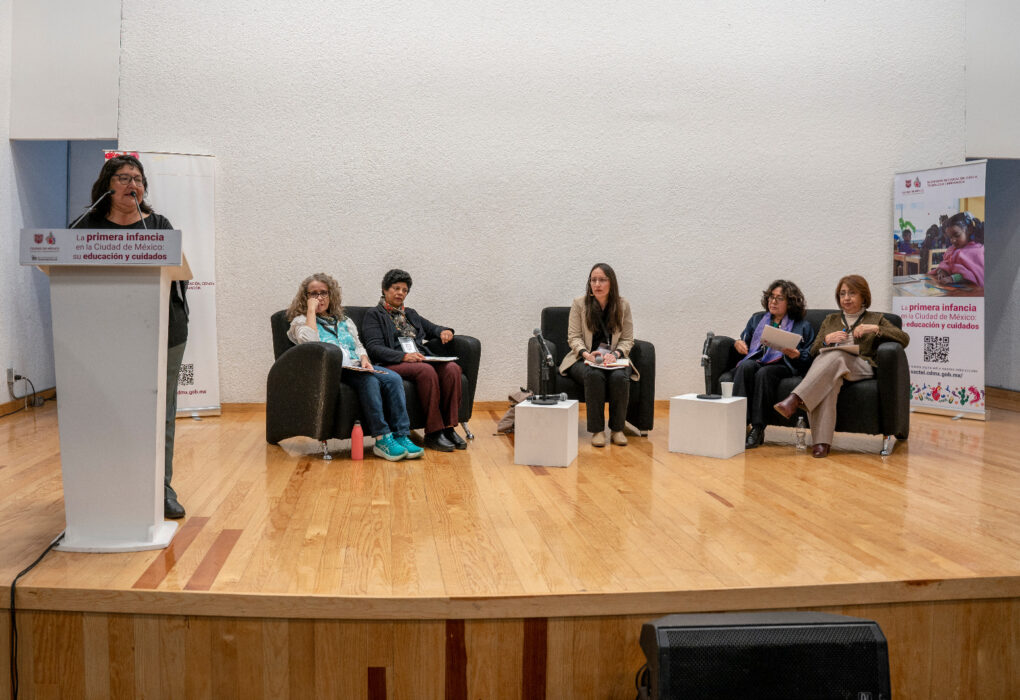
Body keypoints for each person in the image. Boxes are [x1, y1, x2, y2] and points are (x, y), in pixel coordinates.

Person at [73, 154, 189, 519]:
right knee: (106, 409)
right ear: (106, 185)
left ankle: (160, 488)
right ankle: (107, 484)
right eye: (123, 178)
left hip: (164, 330)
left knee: (161, 412)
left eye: (138, 179)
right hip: (103, 335)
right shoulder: (85, 226)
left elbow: (178, 272)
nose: (132, 184)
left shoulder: (158, 225)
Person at [286, 273, 424, 461]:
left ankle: (401, 434)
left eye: (324, 293)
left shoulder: (344, 320)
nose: (319, 298)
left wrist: (364, 359)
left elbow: (358, 345)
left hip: (356, 366)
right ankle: (382, 438)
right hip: (333, 371)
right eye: (314, 294)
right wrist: (311, 311)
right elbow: (310, 344)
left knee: (393, 378)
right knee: (369, 381)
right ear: (306, 297)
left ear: (331, 294)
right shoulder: (300, 322)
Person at [774, 275, 909, 458]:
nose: (846, 298)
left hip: (861, 366)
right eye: (842, 294)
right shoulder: (830, 320)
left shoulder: (876, 318)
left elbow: (904, 338)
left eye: (852, 293)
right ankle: (821, 443)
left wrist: (874, 329)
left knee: (836, 355)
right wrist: (827, 340)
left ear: (863, 296)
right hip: (833, 368)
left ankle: (796, 398)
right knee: (830, 378)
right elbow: (813, 351)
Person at [362, 269, 465, 452]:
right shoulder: (374, 315)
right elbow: (374, 347)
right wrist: (403, 356)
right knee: (426, 371)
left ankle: (449, 428)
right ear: (385, 289)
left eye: (404, 290)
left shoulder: (410, 313)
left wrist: (445, 331)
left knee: (452, 369)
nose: (400, 293)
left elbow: (432, 328)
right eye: (396, 288)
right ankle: (434, 432)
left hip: (418, 359)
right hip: (393, 362)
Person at [558, 263, 638, 447]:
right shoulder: (579, 304)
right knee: (594, 374)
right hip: (583, 359)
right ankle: (597, 431)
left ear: (612, 283)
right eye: (593, 280)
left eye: (602, 280)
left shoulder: (623, 305)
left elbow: (627, 339)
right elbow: (574, 337)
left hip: (614, 359)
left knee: (619, 377)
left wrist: (616, 354)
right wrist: (586, 354)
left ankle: (617, 430)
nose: (597, 284)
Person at [731, 280, 815, 449]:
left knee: (765, 373)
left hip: (784, 365)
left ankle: (758, 428)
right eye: (771, 297)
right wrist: (738, 343)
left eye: (779, 298)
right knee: (746, 367)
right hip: (758, 360)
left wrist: (797, 355)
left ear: (790, 302)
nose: (773, 301)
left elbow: (809, 356)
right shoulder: (757, 319)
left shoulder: (802, 325)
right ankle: (737, 424)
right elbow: (744, 339)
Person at [933, 212, 984, 288]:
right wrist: (942, 271)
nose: (952, 240)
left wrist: (953, 278)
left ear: (969, 229)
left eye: (957, 235)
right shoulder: (952, 249)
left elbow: (974, 274)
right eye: (950, 237)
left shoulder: (978, 251)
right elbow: (945, 264)